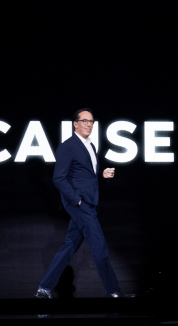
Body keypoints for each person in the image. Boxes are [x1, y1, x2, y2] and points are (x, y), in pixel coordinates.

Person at [35, 108, 132, 298]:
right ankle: (113, 291)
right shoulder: (68, 146)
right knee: (99, 246)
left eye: (91, 121)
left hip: (88, 202)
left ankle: (44, 288)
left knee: (69, 246)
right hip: (80, 205)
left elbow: (85, 176)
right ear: (75, 124)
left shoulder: (91, 146)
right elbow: (59, 178)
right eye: (85, 121)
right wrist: (77, 200)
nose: (89, 124)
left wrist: (101, 176)